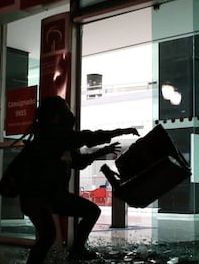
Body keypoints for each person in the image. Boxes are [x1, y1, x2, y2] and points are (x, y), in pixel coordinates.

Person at [18, 96, 139, 263]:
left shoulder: (59, 138)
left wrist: (103, 150)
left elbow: (79, 163)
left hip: (51, 196)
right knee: (48, 236)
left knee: (88, 213)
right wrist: (122, 131)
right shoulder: (52, 135)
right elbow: (88, 137)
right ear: (55, 115)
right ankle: (73, 252)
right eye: (65, 109)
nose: (69, 113)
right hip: (37, 197)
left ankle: (76, 251)